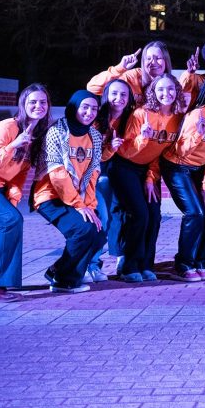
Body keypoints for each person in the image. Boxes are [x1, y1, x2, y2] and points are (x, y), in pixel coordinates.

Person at [111, 74, 186, 282]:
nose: (166, 94)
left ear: (177, 91)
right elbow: (127, 151)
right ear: (153, 92)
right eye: (160, 89)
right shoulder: (141, 114)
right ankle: (128, 266)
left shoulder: (178, 118)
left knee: (154, 215)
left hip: (148, 170)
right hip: (125, 167)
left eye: (171, 89)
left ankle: (145, 264)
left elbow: (160, 154)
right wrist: (144, 137)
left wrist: (151, 178)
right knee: (140, 215)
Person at [33, 90, 105, 294]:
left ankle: (58, 271)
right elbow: (57, 173)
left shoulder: (95, 137)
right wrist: (78, 204)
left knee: (98, 233)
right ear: (74, 107)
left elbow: (93, 174)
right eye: (85, 107)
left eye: (94, 108)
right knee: (82, 230)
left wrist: (90, 207)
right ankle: (64, 281)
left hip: (77, 197)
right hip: (50, 196)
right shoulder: (57, 131)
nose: (90, 112)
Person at [161, 74, 205, 282]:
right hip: (177, 166)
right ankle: (184, 263)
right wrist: (199, 134)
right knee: (195, 213)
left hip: (200, 169)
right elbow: (181, 151)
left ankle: (202, 260)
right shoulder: (197, 115)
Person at [0, 84, 50, 300]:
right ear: (23, 105)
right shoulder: (6, 128)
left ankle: (4, 283)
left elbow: (20, 173)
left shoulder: (37, 135)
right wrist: (14, 145)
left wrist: (13, 197)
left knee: (13, 221)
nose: (38, 106)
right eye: (33, 102)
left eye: (43, 102)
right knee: (10, 221)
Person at [89, 79, 134, 282]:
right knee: (102, 217)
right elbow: (92, 156)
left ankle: (121, 258)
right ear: (106, 95)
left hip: (123, 171)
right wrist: (111, 147)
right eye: (114, 93)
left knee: (123, 214)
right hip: (100, 174)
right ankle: (92, 263)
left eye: (124, 94)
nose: (119, 99)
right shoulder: (96, 119)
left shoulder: (131, 118)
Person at [87, 41, 173, 101]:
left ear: (166, 60)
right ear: (143, 61)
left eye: (158, 58)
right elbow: (93, 88)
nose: (153, 62)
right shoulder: (132, 77)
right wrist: (120, 68)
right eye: (149, 58)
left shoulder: (172, 84)